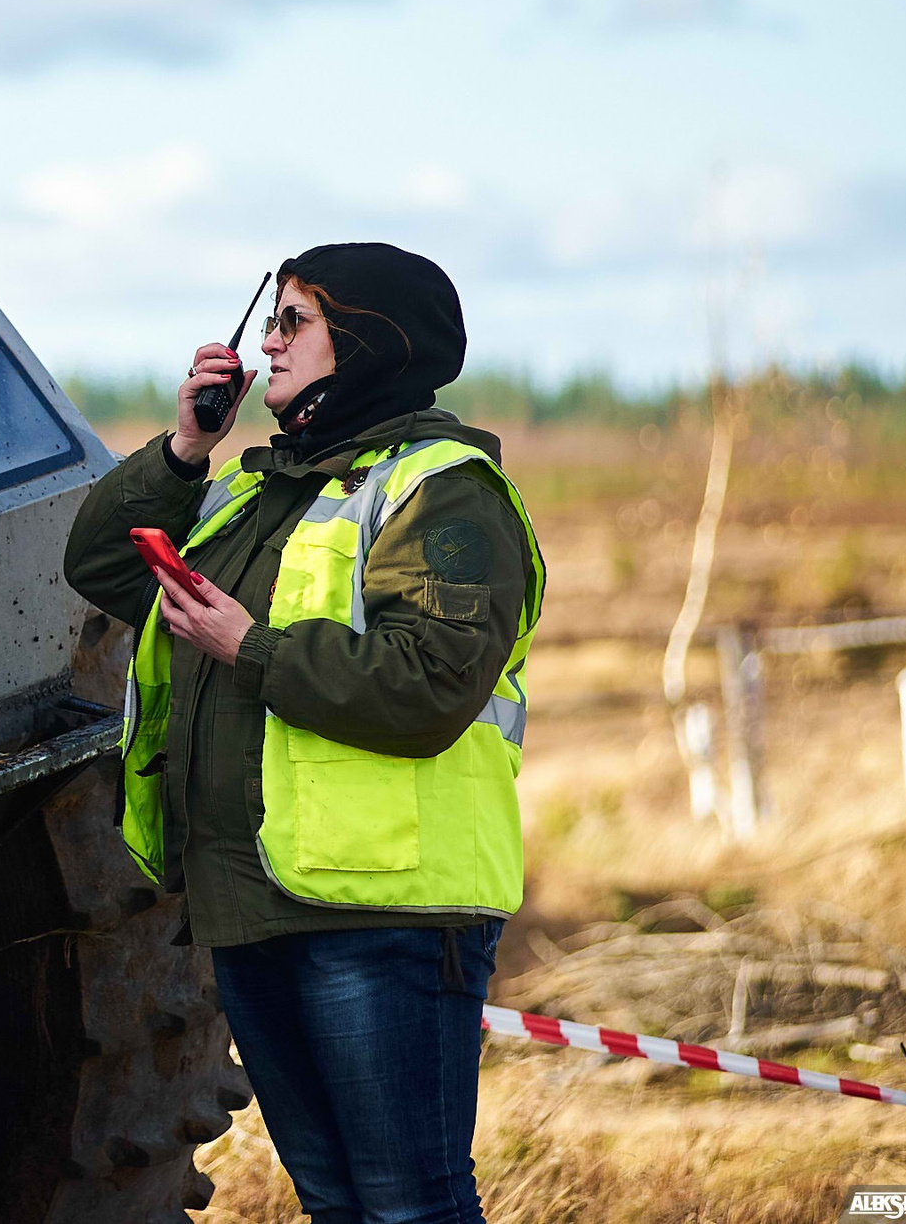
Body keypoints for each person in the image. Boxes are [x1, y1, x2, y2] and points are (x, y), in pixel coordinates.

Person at [62, 243, 544, 1224]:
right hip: (253, 905)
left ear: (364, 341)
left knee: (410, 1203)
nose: (265, 344)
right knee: (336, 1203)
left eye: (293, 321)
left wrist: (250, 647)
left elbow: (431, 681)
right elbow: (102, 568)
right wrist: (183, 448)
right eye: (267, 320)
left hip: (384, 913)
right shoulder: (255, 491)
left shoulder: (442, 491)